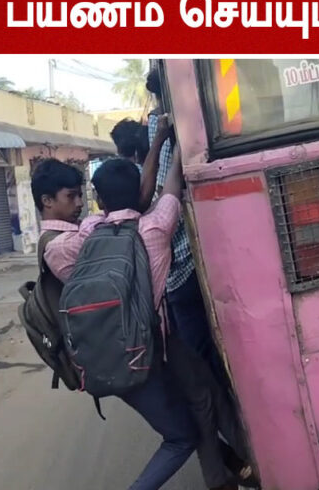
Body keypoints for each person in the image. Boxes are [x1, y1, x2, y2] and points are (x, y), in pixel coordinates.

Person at [41, 150, 254, 490]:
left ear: (98, 199)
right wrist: (180, 149)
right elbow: (170, 189)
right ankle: (243, 467)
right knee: (192, 414)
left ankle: (231, 471)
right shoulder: (156, 228)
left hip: (115, 352)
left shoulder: (77, 241)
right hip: (157, 347)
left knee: (199, 397)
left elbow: (70, 262)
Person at [145, 67, 230, 389]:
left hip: (184, 263)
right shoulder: (196, 118)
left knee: (199, 352)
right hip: (200, 254)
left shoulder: (165, 128)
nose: (154, 110)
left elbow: (163, 195)